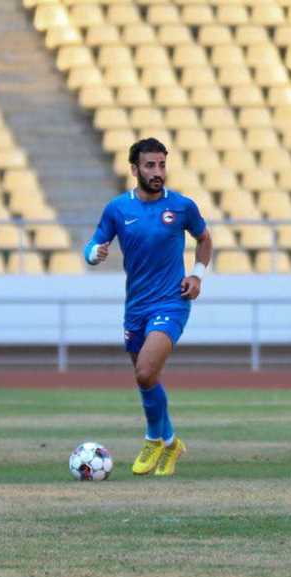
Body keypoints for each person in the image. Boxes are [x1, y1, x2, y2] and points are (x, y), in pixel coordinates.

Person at [83, 137, 212, 476]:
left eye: (162, 165)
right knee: (147, 379)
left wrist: (197, 275)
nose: (157, 172)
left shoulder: (182, 206)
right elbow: (93, 244)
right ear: (134, 169)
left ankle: (153, 438)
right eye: (150, 165)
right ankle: (171, 443)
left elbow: (204, 239)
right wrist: (94, 254)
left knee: (144, 371)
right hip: (136, 307)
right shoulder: (117, 209)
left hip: (172, 301)